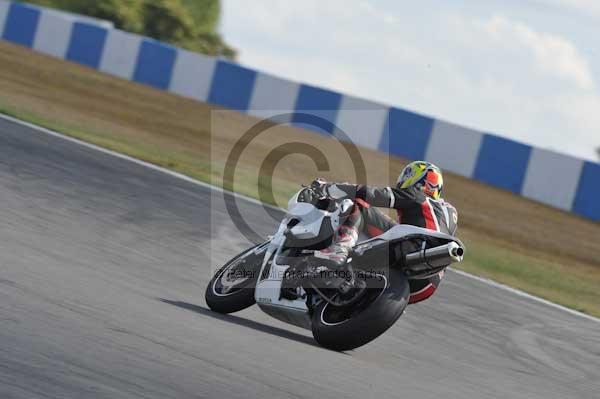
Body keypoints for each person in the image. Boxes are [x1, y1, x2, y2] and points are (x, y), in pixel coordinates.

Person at [312, 161, 458, 304]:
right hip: (427, 285)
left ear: (417, 178)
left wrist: (329, 188)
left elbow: (372, 194)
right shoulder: (451, 212)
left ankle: (339, 250)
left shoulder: (418, 196)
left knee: (359, 205)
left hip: (413, 247)